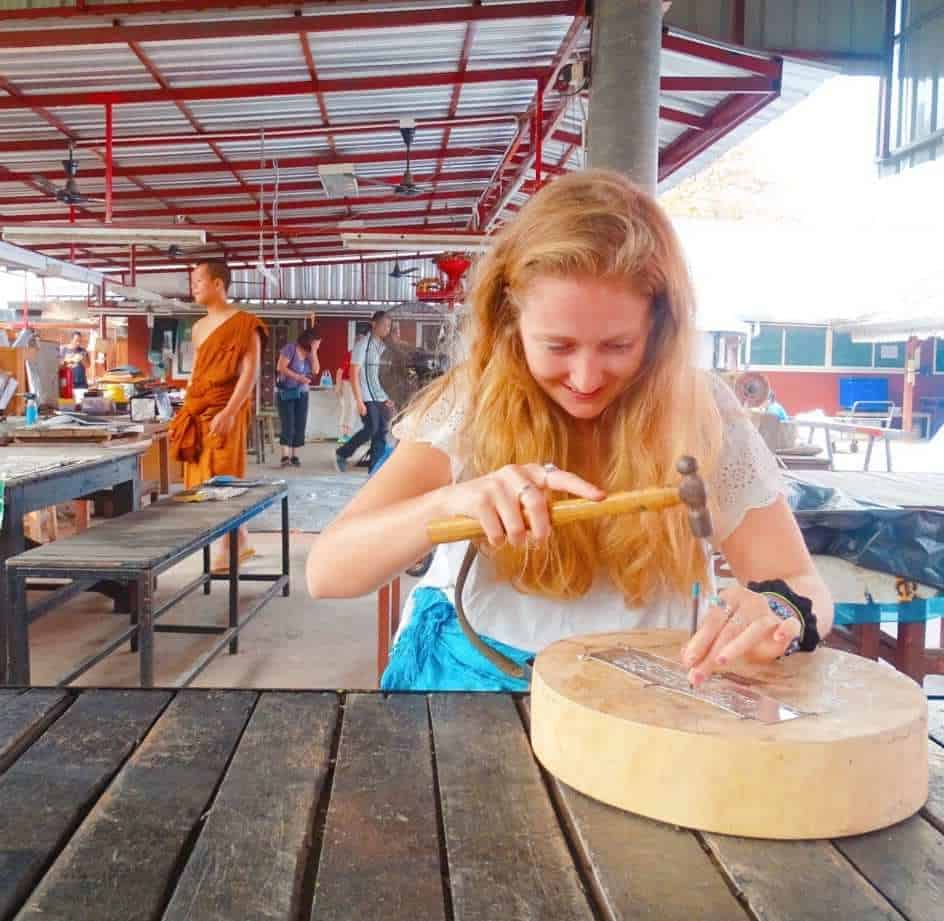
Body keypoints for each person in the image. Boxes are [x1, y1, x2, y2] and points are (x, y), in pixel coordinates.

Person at [306, 170, 833, 692]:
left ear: (659, 330)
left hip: (652, 693)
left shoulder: (702, 410)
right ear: (510, 323)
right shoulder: (472, 401)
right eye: (557, 347)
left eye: (617, 347)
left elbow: (801, 583)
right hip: (472, 681)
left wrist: (779, 613)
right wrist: (450, 503)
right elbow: (328, 573)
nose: (585, 379)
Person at [169, 260, 267, 572]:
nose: (193, 287)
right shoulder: (198, 328)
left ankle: (229, 545)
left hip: (226, 407)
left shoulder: (245, 323)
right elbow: (197, 370)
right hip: (198, 408)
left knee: (224, 475)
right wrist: (186, 405)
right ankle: (241, 541)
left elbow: (249, 373)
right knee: (200, 477)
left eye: (198, 280)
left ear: (218, 284)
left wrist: (230, 411)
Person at [334, 311, 394, 473]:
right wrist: (359, 401)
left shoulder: (382, 347)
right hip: (366, 396)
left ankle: (375, 467)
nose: (387, 329)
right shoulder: (362, 346)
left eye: (389, 326)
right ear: (374, 324)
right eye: (384, 325)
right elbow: (353, 374)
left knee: (381, 430)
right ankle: (342, 453)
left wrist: (387, 396)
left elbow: (382, 375)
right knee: (371, 428)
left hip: (380, 396)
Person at [276, 327, 320, 467]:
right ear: (310, 340)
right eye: (317, 343)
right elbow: (280, 367)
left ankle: (295, 456)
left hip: (302, 393)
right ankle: (285, 456)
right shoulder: (290, 348)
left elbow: (316, 370)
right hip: (287, 391)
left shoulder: (309, 354)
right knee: (288, 423)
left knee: (299, 424)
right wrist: (298, 378)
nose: (318, 345)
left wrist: (314, 352)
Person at [335, 344, 359, 443]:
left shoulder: (361, 355)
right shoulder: (351, 355)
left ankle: (347, 434)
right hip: (348, 383)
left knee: (352, 408)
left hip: (356, 384)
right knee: (348, 408)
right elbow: (340, 371)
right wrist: (338, 386)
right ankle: (345, 434)